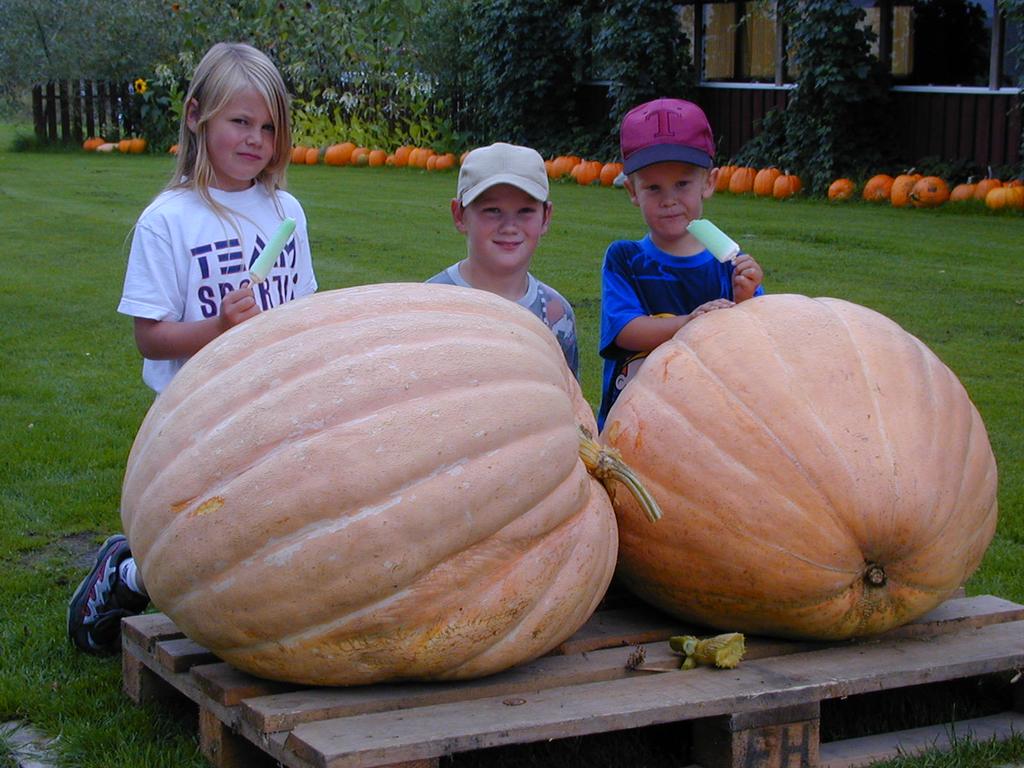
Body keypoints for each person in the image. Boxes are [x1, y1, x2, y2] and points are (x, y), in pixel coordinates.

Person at [67, 42, 317, 655]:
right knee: (198, 542)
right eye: (239, 121)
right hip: (194, 417)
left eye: (267, 127)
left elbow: (307, 308)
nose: (255, 139)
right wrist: (215, 329)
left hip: (274, 404)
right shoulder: (169, 220)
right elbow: (149, 336)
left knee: (270, 529)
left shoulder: (286, 211)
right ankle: (126, 575)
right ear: (196, 116)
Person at [597, 98, 764, 430]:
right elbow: (626, 331)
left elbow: (755, 342)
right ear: (632, 191)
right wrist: (691, 322)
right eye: (653, 187)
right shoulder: (625, 259)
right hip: (633, 423)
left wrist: (745, 300)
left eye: (682, 184)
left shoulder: (728, 265)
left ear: (709, 183)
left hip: (708, 424)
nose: (669, 199)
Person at [427, 142, 580, 380]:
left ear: (546, 217)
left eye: (525, 211)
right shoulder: (429, 305)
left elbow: (569, 401)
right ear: (459, 215)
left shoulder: (556, 314)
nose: (509, 226)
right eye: (492, 210)